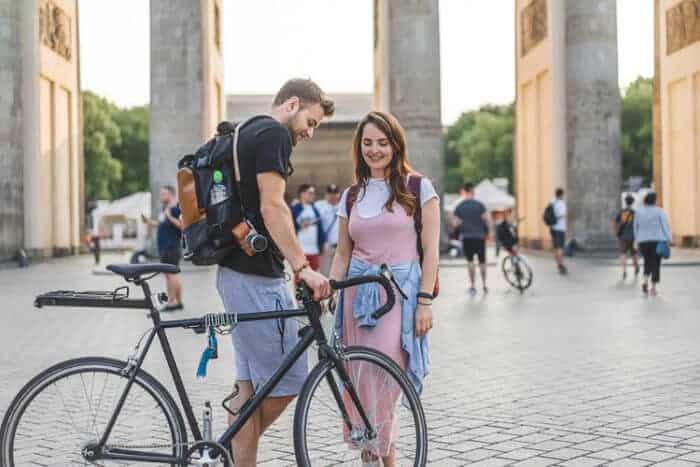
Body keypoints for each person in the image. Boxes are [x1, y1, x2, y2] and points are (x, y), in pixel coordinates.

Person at [214, 78, 334, 467]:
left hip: (240, 274)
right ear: (293, 103)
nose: (310, 132)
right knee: (289, 381)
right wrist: (304, 267)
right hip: (252, 279)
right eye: (311, 121)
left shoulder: (245, 130)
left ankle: (230, 455)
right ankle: (225, 452)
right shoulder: (273, 134)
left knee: (248, 389)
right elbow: (273, 207)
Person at [329, 110, 439, 466]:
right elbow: (342, 253)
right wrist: (330, 291)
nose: (375, 150)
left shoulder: (418, 188)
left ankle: (383, 460)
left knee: (384, 381)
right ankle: (370, 458)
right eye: (367, 143)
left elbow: (432, 249)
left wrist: (425, 301)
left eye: (382, 142)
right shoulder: (351, 195)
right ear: (359, 147)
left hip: (398, 295)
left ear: (396, 144)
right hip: (355, 297)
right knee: (359, 382)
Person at [141, 186, 184, 311]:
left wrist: (169, 216)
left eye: (163, 194)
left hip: (171, 246)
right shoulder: (164, 209)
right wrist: (148, 221)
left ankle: (173, 302)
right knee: (170, 275)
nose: (161, 196)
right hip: (165, 247)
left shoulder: (175, 209)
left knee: (171, 275)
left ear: (170, 195)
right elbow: (161, 224)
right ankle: (177, 301)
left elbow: (182, 226)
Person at [453, 182, 490, 295]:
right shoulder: (480, 205)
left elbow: (455, 223)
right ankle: (484, 285)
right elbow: (486, 219)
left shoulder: (460, 206)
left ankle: (473, 286)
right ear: (473, 191)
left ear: (464, 192)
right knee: (482, 262)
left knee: (470, 262)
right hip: (480, 237)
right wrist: (487, 232)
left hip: (467, 237)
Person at [634, 192, 672, 296]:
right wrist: (669, 239)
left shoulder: (639, 212)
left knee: (647, 261)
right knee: (656, 263)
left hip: (643, 241)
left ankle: (645, 281)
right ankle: (653, 288)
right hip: (657, 240)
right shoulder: (659, 211)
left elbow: (635, 226)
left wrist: (636, 240)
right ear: (654, 200)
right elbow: (665, 226)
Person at [291, 183, 325, 276]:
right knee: (300, 277)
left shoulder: (314, 209)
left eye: (313, 193)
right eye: (310, 193)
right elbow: (289, 226)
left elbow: (320, 228)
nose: (312, 196)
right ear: (302, 194)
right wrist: (299, 225)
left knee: (314, 276)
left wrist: (322, 244)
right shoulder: (295, 208)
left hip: (314, 249)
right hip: (300, 249)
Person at [315, 183, 342, 275]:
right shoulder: (318, 206)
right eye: (330, 193)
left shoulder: (343, 206)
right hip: (326, 247)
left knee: (339, 276)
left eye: (335, 193)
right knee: (325, 275)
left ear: (339, 194)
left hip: (341, 247)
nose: (333, 196)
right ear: (326, 194)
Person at [614, 194, 639, 279]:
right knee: (634, 253)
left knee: (623, 253)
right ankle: (636, 267)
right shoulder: (635, 213)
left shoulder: (621, 212)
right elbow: (638, 225)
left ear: (625, 202)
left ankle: (624, 270)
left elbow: (616, 223)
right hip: (633, 236)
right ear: (632, 202)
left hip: (623, 237)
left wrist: (617, 232)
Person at [549, 188, 568, 275]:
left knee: (555, 247)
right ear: (561, 194)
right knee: (560, 247)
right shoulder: (561, 203)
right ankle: (561, 265)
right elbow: (562, 215)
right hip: (560, 228)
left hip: (552, 228)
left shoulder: (552, 202)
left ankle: (558, 264)